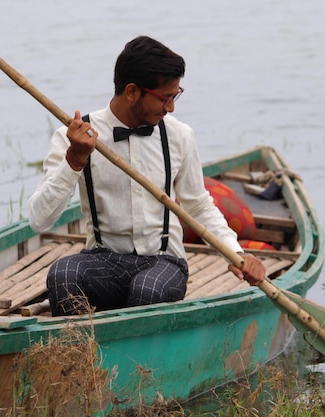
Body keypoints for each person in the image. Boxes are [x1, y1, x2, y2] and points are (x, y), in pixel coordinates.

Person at [28, 36, 265, 316]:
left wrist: (235, 253)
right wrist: (75, 159)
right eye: (166, 97)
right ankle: (81, 353)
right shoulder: (77, 136)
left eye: (176, 95)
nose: (171, 107)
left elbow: (198, 205)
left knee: (147, 290)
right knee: (63, 275)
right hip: (104, 262)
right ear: (132, 92)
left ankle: (133, 356)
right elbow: (40, 221)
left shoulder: (179, 135)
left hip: (163, 263)